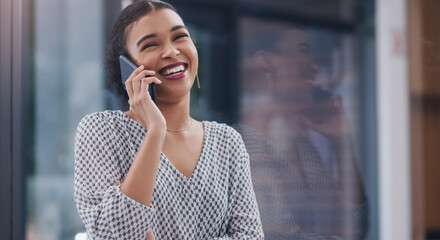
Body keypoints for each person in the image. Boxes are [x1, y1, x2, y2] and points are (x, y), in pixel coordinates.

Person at [73, 1, 264, 239]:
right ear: (128, 67)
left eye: (180, 37)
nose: (172, 52)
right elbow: (113, 236)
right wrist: (155, 131)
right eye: (151, 44)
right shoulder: (102, 131)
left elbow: (250, 237)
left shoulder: (227, 143)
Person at [235, 27, 368, 239]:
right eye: (304, 51)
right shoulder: (244, 145)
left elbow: (356, 227)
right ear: (267, 61)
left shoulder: (304, 147)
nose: (314, 67)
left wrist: (342, 144)